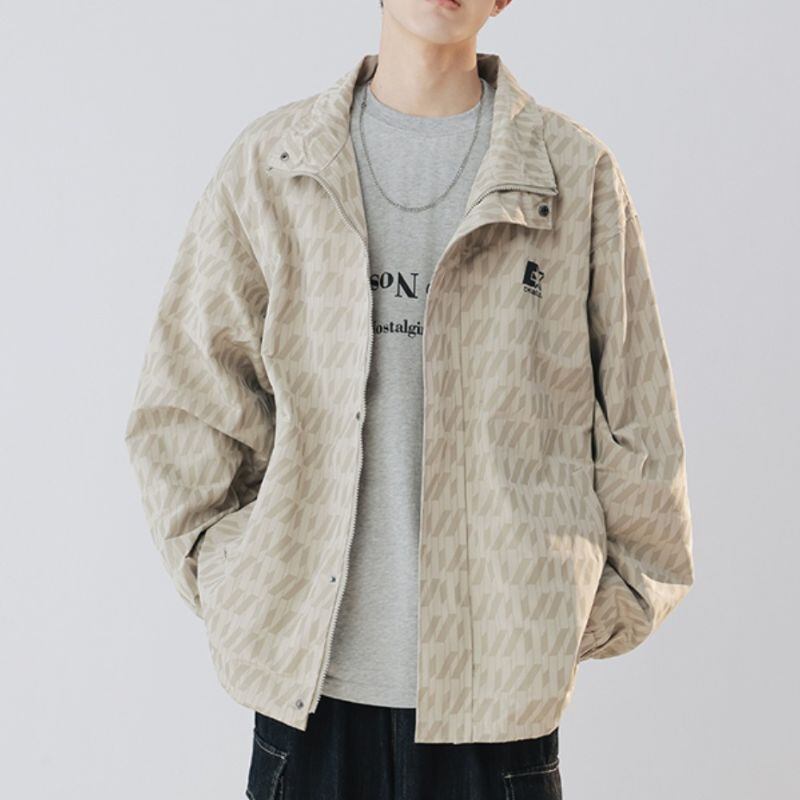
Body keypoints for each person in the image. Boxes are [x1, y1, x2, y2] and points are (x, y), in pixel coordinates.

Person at [123, 1, 695, 798]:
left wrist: (547, 617)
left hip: (497, 723)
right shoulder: (274, 166)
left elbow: (643, 434)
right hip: (308, 706)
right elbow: (185, 411)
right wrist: (246, 586)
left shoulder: (576, 175)